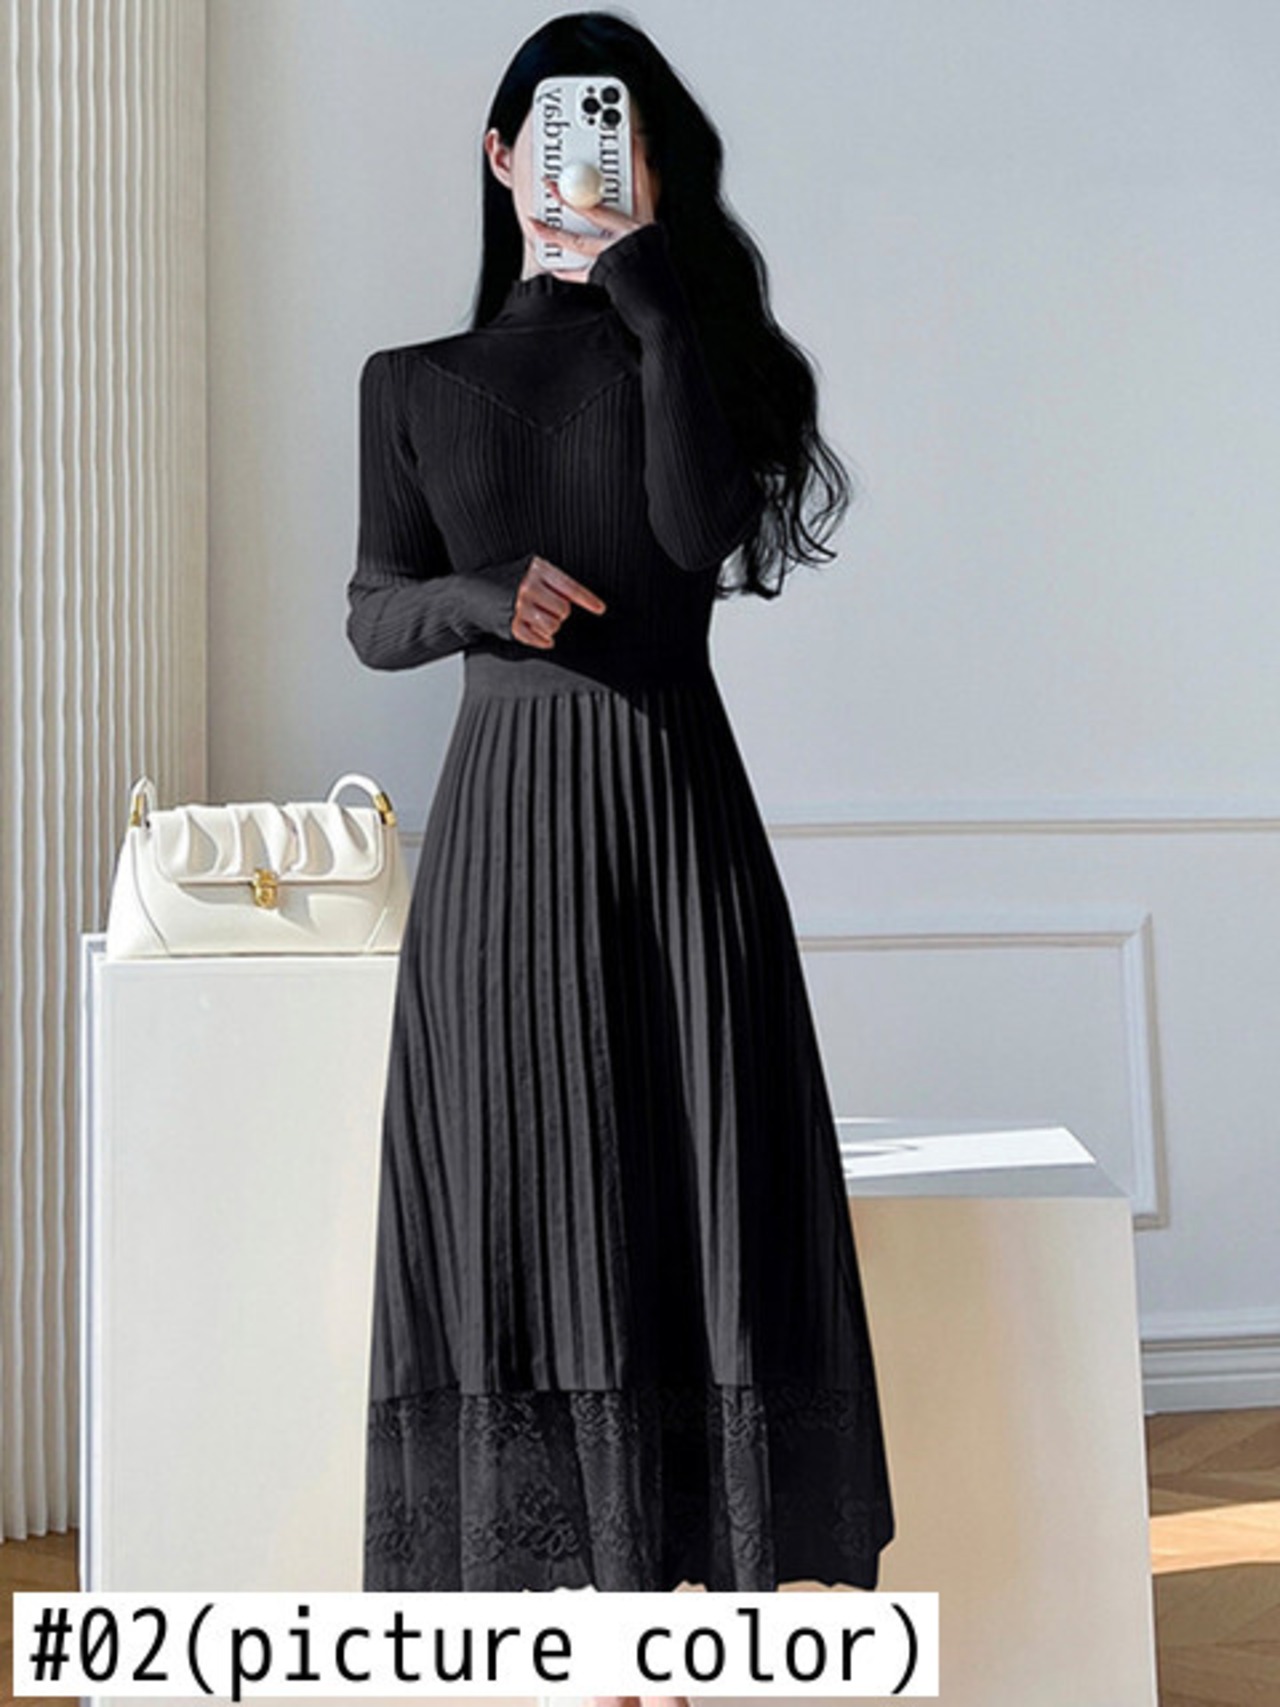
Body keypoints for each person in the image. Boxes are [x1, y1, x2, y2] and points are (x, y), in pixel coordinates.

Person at [351, 11, 896, 1639]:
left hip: (674, 823)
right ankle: (579, 1633)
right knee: (521, 1209)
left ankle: (683, 1620)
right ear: (501, 155)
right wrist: (476, 597)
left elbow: (689, 534)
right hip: (501, 850)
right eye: (562, 130)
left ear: (653, 168)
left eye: (625, 136)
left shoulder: (697, 362)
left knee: (692, 1190)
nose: (590, 159)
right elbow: (372, 609)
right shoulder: (409, 384)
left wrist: (651, 299)